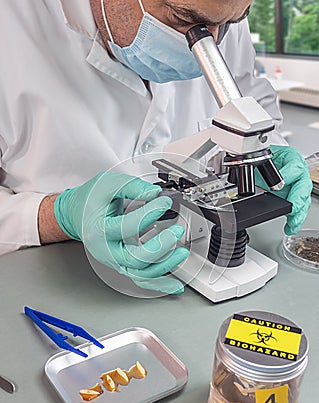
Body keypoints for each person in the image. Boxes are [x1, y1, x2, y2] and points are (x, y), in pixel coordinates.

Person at [0, 0, 312, 294]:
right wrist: (58, 216)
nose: (212, 41)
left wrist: (265, 153)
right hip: (54, 278)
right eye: (185, 18)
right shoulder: (12, 25)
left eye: (231, 22)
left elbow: (252, 100)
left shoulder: (218, 9)